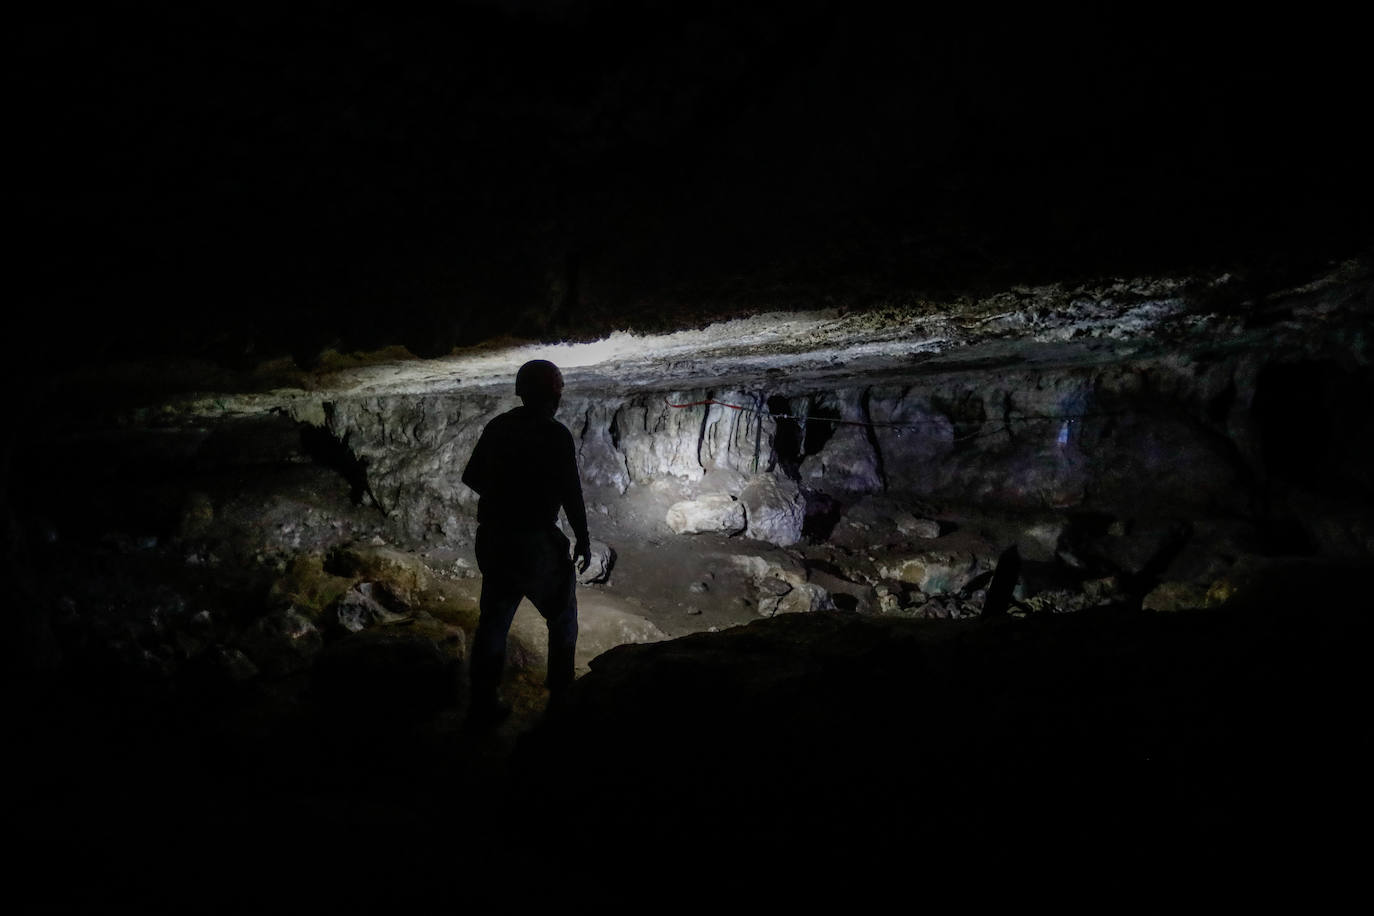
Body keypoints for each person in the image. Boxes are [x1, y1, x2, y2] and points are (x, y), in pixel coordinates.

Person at [461, 359, 591, 728]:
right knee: (563, 616)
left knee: (494, 620)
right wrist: (582, 537)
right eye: (558, 388)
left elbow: (473, 477)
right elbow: (571, 493)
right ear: (552, 392)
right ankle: (560, 703)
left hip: (495, 538)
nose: (560, 394)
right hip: (531, 540)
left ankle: (482, 704)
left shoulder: (499, 427)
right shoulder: (555, 434)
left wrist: (506, 493)